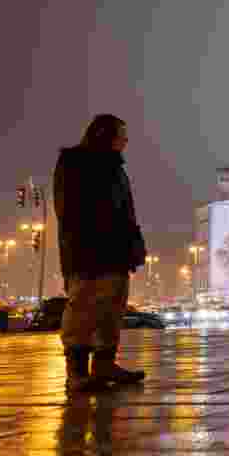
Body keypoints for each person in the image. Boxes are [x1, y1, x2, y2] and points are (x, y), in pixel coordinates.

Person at [54, 114, 147, 393]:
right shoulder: (75, 163)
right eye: (122, 135)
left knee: (112, 311)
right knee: (83, 310)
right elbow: (70, 212)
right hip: (87, 253)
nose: (126, 140)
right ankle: (77, 373)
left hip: (116, 254)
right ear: (104, 135)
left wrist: (134, 243)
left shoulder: (117, 168)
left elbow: (125, 212)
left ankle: (104, 365)